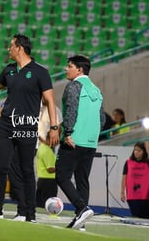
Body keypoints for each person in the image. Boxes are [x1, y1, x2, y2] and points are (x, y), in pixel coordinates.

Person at [0, 34, 60, 222]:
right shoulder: (9, 70)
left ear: (20, 48)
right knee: (2, 166)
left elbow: (50, 101)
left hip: (27, 126)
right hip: (5, 125)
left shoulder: (40, 72)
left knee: (27, 169)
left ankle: (29, 213)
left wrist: (54, 127)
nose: (8, 49)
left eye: (11, 46)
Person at [55, 54, 105, 230]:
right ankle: (81, 221)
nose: (66, 69)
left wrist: (68, 132)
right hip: (91, 142)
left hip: (73, 139)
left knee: (61, 176)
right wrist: (92, 134)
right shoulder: (97, 91)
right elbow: (102, 119)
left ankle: (81, 208)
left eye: (69, 66)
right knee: (82, 180)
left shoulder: (74, 86)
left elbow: (71, 111)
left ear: (80, 69)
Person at [35, 101, 63, 208]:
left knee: (40, 202)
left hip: (41, 179)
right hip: (49, 180)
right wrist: (61, 168)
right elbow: (50, 168)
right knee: (49, 203)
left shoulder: (41, 149)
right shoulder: (47, 151)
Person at [121, 142, 149, 218]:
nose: (136, 152)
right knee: (136, 217)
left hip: (145, 196)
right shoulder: (128, 162)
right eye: (135, 150)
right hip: (132, 196)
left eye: (139, 150)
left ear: (144, 152)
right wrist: (122, 192)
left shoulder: (147, 162)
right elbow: (124, 178)